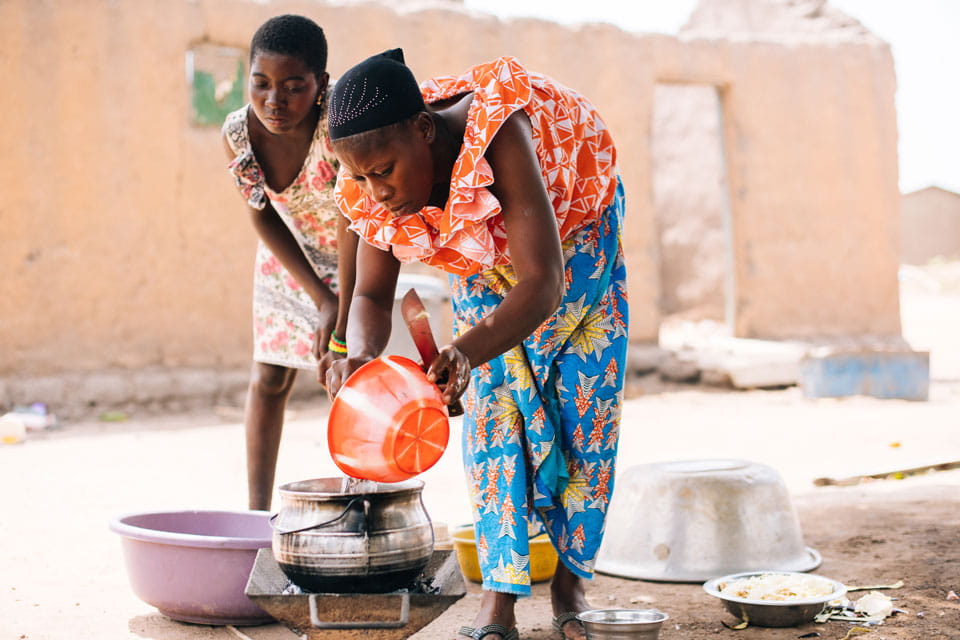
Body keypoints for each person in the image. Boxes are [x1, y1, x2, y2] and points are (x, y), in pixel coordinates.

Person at [322, 50, 628, 640]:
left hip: (573, 234)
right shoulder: (372, 179)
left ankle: (570, 582)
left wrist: (464, 349)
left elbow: (543, 283)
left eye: (383, 171)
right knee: (494, 409)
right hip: (476, 246)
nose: (375, 191)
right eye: (360, 177)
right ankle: (499, 599)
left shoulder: (499, 133)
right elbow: (368, 297)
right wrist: (356, 358)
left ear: (424, 129)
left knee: (584, 406)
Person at [221, 15, 357, 511]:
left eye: (293, 86)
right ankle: (257, 513)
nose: (274, 101)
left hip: (356, 249)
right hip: (288, 253)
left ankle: (363, 503)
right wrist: (320, 298)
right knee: (270, 378)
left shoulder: (339, 119)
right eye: (260, 83)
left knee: (349, 375)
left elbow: (353, 215)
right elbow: (261, 216)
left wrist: (341, 304)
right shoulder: (239, 133)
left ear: (321, 82)